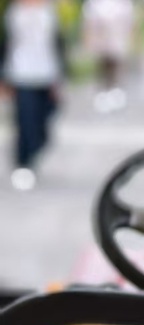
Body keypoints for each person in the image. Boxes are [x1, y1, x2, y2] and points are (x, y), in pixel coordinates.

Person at [0, 0, 66, 190]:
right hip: (21, 74)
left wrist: (59, 77)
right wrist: (3, 77)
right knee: (24, 120)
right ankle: (23, 163)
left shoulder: (49, 11)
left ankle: (35, 150)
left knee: (45, 118)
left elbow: (57, 44)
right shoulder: (14, 12)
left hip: (46, 74)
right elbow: (7, 45)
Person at [82, 0, 135, 112]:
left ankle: (116, 93)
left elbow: (129, 23)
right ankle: (102, 93)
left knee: (116, 68)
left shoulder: (123, 4)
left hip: (117, 41)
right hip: (101, 42)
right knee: (102, 68)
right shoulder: (95, 4)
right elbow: (89, 23)